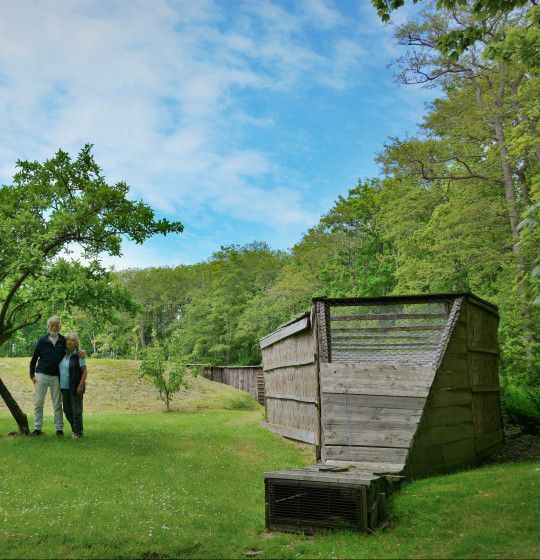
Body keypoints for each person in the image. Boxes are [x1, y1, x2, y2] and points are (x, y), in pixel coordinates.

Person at [29, 316, 84, 436]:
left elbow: (73, 348)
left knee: (57, 404)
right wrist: (32, 375)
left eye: (56, 325)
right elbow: (34, 359)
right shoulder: (42, 340)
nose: (54, 327)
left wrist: (81, 352)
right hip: (41, 375)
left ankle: (59, 429)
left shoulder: (63, 341)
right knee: (38, 402)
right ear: (48, 327)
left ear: (59, 327)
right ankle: (37, 428)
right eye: (52, 325)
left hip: (56, 377)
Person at [59, 332, 88, 439]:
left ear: (76, 343)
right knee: (67, 411)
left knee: (76, 411)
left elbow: (85, 372)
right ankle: (76, 430)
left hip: (76, 386)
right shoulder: (62, 354)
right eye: (68, 339)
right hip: (64, 387)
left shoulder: (79, 355)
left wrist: (81, 386)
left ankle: (78, 433)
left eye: (72, 340)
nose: (69, 342)